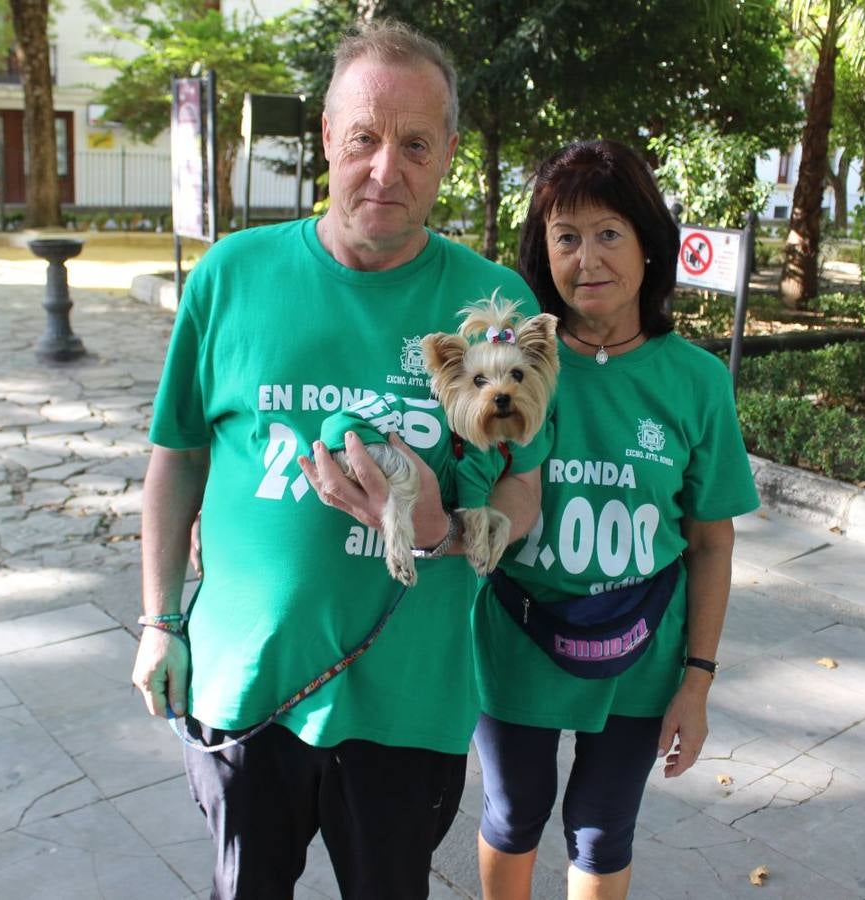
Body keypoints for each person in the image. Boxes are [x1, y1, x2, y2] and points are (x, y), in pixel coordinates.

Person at [130, 20, 544, 900]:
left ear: (450, 155)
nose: (386, 170)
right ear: (327, 137)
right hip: (248, 688)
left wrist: (445, 529)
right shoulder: (230, 277)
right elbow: (177, 459)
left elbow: (525, 484)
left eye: (415, 144)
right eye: (363, 138)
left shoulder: (489, 303)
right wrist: (159, 621)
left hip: (408, 704)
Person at [471, 139, 760, 899]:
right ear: (544, 252)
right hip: (516, 637)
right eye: (566, 236)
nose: (587, 258)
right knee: (514, 809)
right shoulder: (510, 369)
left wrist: (696, 681)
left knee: (602, 829)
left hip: (641, 650)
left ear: (649, 246)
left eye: (609, 233)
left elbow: (710, 540)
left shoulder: (696, 380)